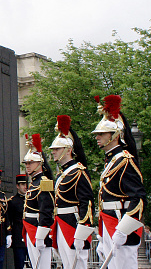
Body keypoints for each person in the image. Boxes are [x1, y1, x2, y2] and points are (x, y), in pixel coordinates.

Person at [92, 95, 146, 269]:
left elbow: (138, 198)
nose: (97, 137)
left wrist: (123, 230)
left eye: (102, 134)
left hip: (120, 225)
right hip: (109, 224)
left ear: (115, 135)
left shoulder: (125, 161)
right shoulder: (112, 161)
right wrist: (101, 235)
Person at [48, 115, 94, 269]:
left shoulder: (78, 172)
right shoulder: (63, 174)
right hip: (61, 222)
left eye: (57, 149)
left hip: (73, 224)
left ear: (68, 150)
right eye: (53, 149)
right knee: (67, 264)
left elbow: (86, 202)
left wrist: (82, 231)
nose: (53, 152)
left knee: (77, 263)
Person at [22, 134, 54, 269]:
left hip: (37, 228)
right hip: (30, 227)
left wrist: (41, 235)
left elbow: (46, 211)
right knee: (35, 264)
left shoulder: (44, 183)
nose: (27, 166)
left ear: (39, 163)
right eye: (26, 163)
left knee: (42, 265)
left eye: (30, 163)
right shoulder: (34, 182)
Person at [7, 174, 28, 269]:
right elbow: (9, 219)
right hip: (19, 235)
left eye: (26, 184)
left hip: (32, 235)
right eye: (22, 184)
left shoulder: (32, 200)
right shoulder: (12, 201)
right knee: (19, 264)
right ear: (17, 186)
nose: (25, 187)